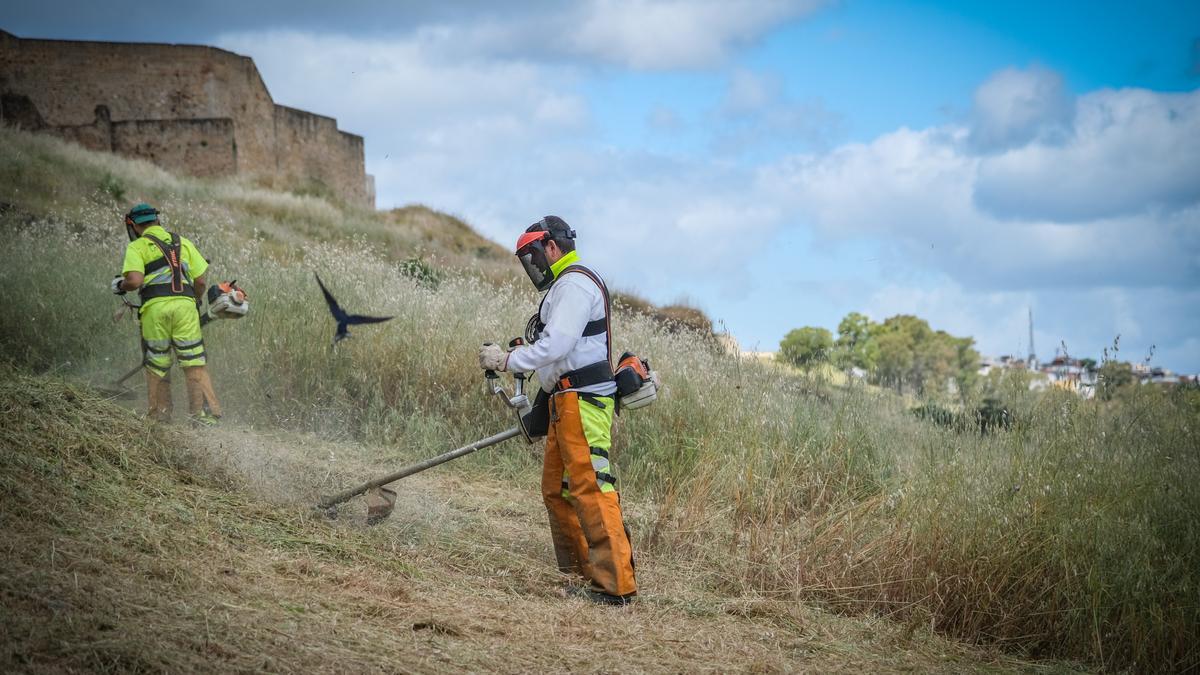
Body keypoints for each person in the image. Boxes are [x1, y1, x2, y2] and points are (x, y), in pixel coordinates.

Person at [479, 215, 637, 605]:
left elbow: (557, 346)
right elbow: (553, 351)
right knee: (558, 490)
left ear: (551, 246)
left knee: (591, 488)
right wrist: (521, 359)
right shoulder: (566, 287)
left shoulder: (575, 284)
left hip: (582, 401)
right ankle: (583, 575)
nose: (532, 265)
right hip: (563, 401)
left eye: (533, 255)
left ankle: (615, 587)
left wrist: (505, 361)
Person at [112, 203, 221, 425]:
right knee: (193, 361)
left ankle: (160, 418)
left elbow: (134, 281)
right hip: (186, 309)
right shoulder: (183, 243)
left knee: (157, 363)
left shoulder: (138, 247)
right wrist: (194, 300)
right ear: (157, 220)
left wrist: (119, 284)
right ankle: (203, 418)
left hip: (155, 310)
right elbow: (200, 281)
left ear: (132, 225)